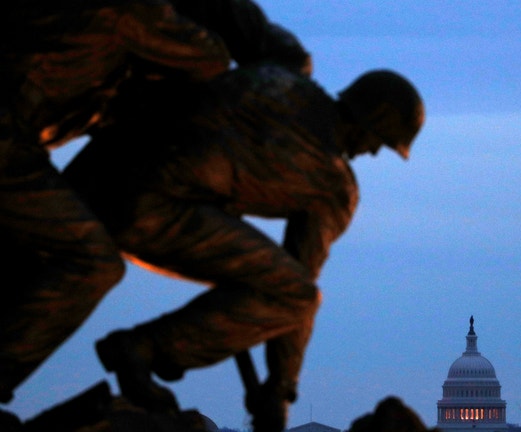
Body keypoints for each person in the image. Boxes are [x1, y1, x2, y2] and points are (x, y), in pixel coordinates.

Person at [62, 62, 425, 429]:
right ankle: (143, 349)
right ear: (371, 123)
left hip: (91, 173)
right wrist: (280, 387)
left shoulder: (277, 78)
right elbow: (299, 284)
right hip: (146, 207)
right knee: (295, 295)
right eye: (382, 142)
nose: (376, 153)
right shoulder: (333, 185)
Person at [0, 0, 310, 408]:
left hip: (24, 147)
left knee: (34, 250)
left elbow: (277, 55)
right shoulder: (137, 11)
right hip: (10, 144)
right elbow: (210, 62)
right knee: (91, 263)